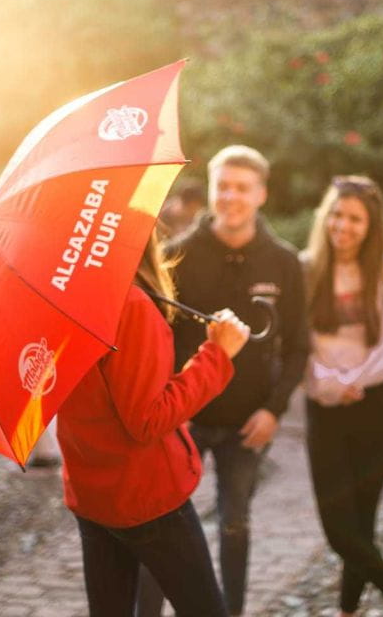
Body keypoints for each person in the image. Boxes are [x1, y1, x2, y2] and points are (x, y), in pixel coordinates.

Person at [56, 230, 251, 617]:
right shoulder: (129, 305)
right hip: (146, 496)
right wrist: (217, 356)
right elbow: (148, 418)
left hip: (93, 493)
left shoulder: (67, 295)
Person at [150, 144, 308, 616]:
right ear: (211, 191)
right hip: (183, 416)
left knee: (235, 526)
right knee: (157, 521)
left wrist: (273, 410)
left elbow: (299, 344)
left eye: (242, 188)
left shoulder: (284, 262)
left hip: (247, 421)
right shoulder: (175, 255)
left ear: (261, 194)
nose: (231, 196)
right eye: (223, 186)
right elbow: (156, 338)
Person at [301, 176, 383, 616]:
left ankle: (348, 610)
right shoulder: (306, 267)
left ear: (370, 226)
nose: (343, 225)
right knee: (337, 526)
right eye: (336, 214)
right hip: (324, 409)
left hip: (374, 408)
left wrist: (355, 382)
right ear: (324, 216)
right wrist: (330, 384)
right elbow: (301, 344)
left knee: (361, 521)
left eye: (354, 218)